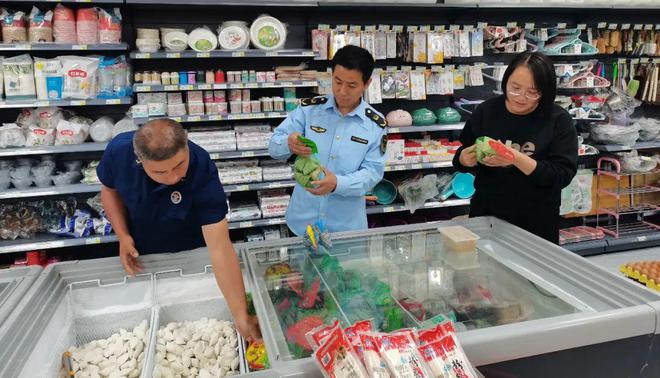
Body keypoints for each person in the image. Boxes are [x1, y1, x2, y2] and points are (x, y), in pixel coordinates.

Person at [96, 119, 260, 342]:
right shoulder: (118, 152)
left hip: (194, 252)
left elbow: (220, 247)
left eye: (179, 165)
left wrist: (241, 315)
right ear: (139, 160)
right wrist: (123, 235)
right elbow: (109, 190)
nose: (173, 177)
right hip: (144, 252)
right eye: (160, 172)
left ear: (187, 146)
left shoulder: (201, 164)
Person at [452, 51, 578, 243]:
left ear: (545, 91)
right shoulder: (487, 111)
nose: (521, 97)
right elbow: (462, 154)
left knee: (531, 273)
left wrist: (515, 158)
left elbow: (561, 175)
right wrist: (463, 158)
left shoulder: (558, 120)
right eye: (515, 88)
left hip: (536, 223)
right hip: (487, 217)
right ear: (506, 81)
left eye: (532, 92)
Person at [269, 45, 387, 236]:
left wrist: (337, 183)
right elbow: (274, 146)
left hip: (345, 231)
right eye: (337, 82)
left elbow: (372, 173)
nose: (342, 91)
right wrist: (288, 144)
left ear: (367, 84)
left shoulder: (376, 124)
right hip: (301, 226)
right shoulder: (309, 110)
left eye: (351, 85)